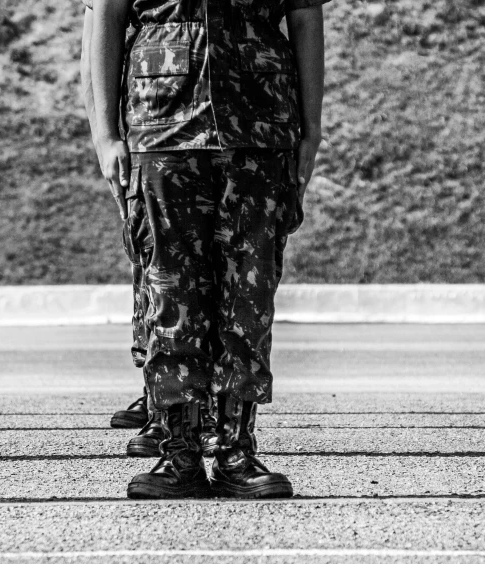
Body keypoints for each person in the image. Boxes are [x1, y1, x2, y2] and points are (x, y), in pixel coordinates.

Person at [89, 0, 328, 499]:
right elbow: (106, 14)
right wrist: (106, 134)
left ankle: (237, 451)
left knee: (250, 296)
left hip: (260, 128)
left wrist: (311, 129)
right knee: (169, 295)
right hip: (162, 125)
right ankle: (179, 452)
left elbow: (305, 15)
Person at [80, 2, 218, 458]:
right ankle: (166, 402)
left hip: (223, 121)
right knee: (159, 271)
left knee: (214, 276)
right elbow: (97, 31)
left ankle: (203, 406)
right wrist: (104, 134)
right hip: (154, 122)